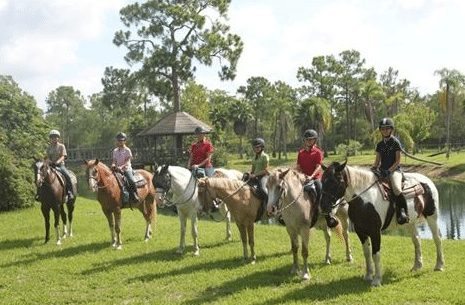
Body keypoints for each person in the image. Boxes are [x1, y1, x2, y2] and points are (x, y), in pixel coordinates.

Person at [296, 129, 338, 228]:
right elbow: (298, 166)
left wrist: (311, 176)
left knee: (320, 189)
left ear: (315, 140)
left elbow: (318, 166)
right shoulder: (301, 153)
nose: (309, 141)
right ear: (304, 140)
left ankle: (328, 216)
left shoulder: (318, 152)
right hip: (303, 178)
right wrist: (300, 175)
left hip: (315, 178)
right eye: (307, 140)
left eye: (311, 140)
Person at [372, 117, 409, 224]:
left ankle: (402, 212)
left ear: (391, 130)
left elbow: (397, 161)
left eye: (387, 129)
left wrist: (389, 171)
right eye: (383, 129)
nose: (385, 131)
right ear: (380, 130)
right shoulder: (379, 145)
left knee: (397, 189)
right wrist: (373, 169)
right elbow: (377, 161)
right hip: (382, 171)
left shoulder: (395, 142)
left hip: (394, 171)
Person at [46, 129, 75, 200]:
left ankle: (69, 192)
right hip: (50, 165)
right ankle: (40, 194)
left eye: (55, 137)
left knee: (67, 175)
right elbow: (47, 157)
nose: (54, 138)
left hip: (60, 165)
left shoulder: (61, 146)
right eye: (52, 137)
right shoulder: (49, 147)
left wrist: (57, 162)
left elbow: (63, 156)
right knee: (42, 176)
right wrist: (49, 161)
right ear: (50, 138)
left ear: (58, 138)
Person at [111, 132, 139, 204]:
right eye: (119, 140)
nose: (120, 142)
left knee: (131, 180)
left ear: (125, 141)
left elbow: (128, 161)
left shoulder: (127, 150)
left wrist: (121, 167)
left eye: (121, 140)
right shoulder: (115, 151)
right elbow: (114, 160)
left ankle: (135, 194)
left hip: (126, 169)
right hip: (117, 169)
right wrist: (113, 165)